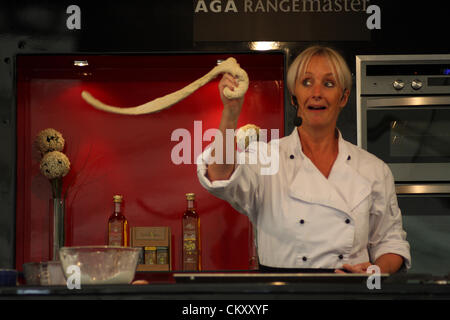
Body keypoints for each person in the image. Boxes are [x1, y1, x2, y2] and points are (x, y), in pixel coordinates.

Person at [197, 45, 411, 274]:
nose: (316, 92)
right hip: (284, 292)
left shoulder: (373, 169)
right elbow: (219, 176)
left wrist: (374, 272)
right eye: (307, 83)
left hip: (350, 292)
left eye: (329, 84)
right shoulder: (266, 159)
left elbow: (390, 242)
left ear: (344, 97)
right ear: (293, 96)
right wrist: (230, 112)